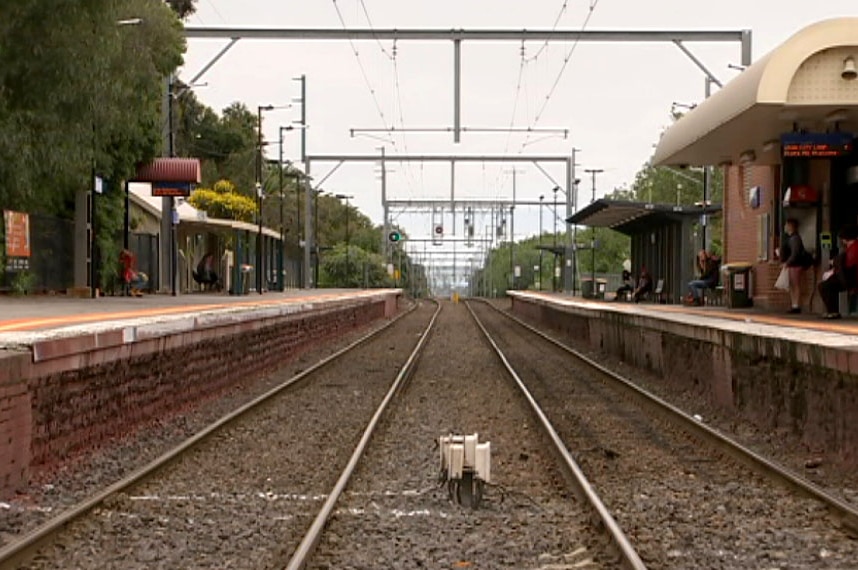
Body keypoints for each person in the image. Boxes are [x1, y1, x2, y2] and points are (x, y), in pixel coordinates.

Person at [818, 224, 858, 319]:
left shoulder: (853, 248)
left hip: (851, 277)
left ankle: (833, 311)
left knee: (825, 286)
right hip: (851, 276)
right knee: (829, 285)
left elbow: (848, 265)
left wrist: (835, 264)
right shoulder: (853, 247)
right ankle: (833, 311)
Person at [780, 218, 811, 314]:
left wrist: (787, 262)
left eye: (786, 225)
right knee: (793, 285)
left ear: (790, 226)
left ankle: (796, 305)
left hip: (795, 265)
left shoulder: (794, 238)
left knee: (795, 285)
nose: (785, 227)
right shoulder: (792, 238)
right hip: (792, 264)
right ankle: (794, 304)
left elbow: (795, 253)